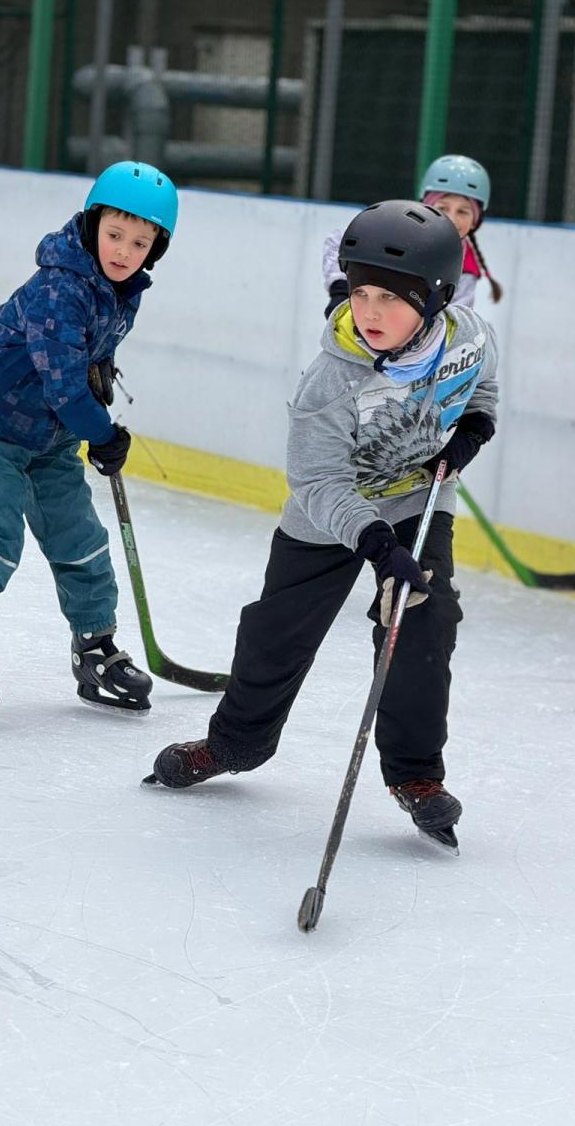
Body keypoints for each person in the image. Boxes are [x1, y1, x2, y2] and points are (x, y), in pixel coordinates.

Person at [147, 200, 498, 848]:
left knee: (423, 618)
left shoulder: (470, 336)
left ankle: (415, 775)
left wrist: (473, 430)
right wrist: (374, 544)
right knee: (275, 634)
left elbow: (482, 388)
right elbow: (316, 482)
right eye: (361, 292)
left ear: (438, 299)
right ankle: (234, 744)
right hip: (328, 515)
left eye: (390, 299)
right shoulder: (331, 380)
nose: (369, 312)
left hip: (417, 498)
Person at [0, 161, 178, 721]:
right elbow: (62, 380)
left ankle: (95, 647)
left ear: (156, 249)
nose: (124, 251)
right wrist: (102, 433)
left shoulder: (122, 290)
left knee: (82, 539)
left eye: (140, 242)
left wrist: (101, 380)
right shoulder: (60, 287)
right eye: (115, 234)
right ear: (92, 223)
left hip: (49, 434)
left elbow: (89, 359)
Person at [322, 154, 502, 318]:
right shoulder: (398, 226)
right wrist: (340, 291)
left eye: (463, 211)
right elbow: (339, 240)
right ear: (427, 205)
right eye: (443, 208)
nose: (452, 218)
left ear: (475, 221)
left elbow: (455, 320)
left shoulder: (467, 269)